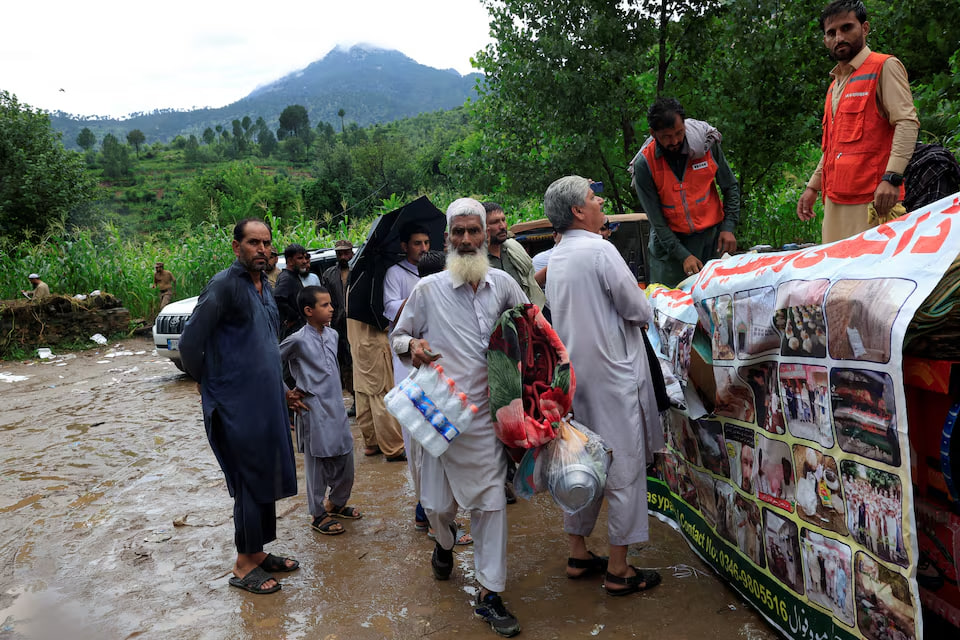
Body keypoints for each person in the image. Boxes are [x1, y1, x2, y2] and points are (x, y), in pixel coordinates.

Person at [391, 198, 527, 637]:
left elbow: (531, 328)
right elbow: (398, 336)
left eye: (474, 232)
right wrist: (411, 347)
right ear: (448, 237)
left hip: (488, 419)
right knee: (437, 506)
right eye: (459, 232)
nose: (467, 240)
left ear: (486, 235)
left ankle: (490, 594)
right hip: (439, 417)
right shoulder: (427, 290)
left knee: (490, 505)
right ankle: (444, 541)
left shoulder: (504, 283)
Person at [543, 175, 664, 596]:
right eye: (593, 198)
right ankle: (619, 569)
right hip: (614, 378)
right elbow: (637, 308)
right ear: (578, 211)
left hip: (577, 380)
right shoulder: (600, 249)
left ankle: (578, 552)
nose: (599, 204)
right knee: (625, 470)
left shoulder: (557, 257)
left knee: (583, 464)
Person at [179, 218, 300, 595]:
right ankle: (243, 564)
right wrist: (209, 383)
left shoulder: (264, 285)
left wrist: (280, 387)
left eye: (266, 243)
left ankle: (258, 552)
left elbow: (263, 345)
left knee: (264, 474)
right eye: (253, 243)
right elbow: (188, 344)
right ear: (236, 247)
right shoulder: (224, 286)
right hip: (235, 404)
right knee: (248, 479)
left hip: (265, 401)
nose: (262, 249)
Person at [797, 1, 919, 243]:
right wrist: (813, 187)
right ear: (825, 40)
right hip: (834, 203)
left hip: (874, 201)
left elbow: (907, 122)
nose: (839, 37)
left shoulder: (884, 66)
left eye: (846, 28)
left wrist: (892, 177)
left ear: (864, 28)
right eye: (831, 33)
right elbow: (833, 145)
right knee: (838, 275)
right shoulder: (835, 85)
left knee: (874, 278)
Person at [630, 97, 740, 287]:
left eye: (679, 133)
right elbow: (657, 222)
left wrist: (728, 227)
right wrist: (683, 255)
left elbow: (730, 186)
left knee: (717, 302)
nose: (675, 141)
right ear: (653, 134)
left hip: (711, 242)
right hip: (670, 251)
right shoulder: (645, 165)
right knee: (674, 309)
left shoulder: (707, 146)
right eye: (666, 136)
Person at [280, 285, 361, 537]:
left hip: (336, 406)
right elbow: (270, 362)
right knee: (318, 464)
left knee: (345, 457)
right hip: (312, 407)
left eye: (330, 304)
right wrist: (285, 393)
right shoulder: (297, 340)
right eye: (324, 305)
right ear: (308, 310)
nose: (331, 309)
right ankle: (317, 513)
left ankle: (336, 502)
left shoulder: (333, 335)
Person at [383, 223, 430, 527]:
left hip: (433, 360)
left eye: (426, 242)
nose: (423, 248)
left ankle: (436, 506)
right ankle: (423, 503)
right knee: (415, 431)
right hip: (406, 359)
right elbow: (390, 309)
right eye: (417, 243)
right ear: (404, 246)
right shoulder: (395, 274)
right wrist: (417, 298)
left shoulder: (434, 271)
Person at [484, 202, 547, 310]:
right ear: (482, 227)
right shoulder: (478, 262)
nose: (502, 226)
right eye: (495, 222)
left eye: (503, 220)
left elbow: (530, 285)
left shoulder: (513, 249)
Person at [321, 240, 355, 415]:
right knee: (345, 363)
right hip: (338, 325)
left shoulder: (358, 269)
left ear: (351, 253)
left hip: (356, 322)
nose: (343, 256)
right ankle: (354, 398)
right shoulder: (329, 274)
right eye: (339, 253)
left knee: (357, 359)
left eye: (346, 253)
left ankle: (361, 400)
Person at [274, 244, 309, 338]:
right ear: (290, 261)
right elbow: (277, 298)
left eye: (305, 258)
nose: (305, 261)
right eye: (300, 258)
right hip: (292, 333)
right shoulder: (287, 278)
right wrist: (294, 316)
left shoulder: (292, 276)